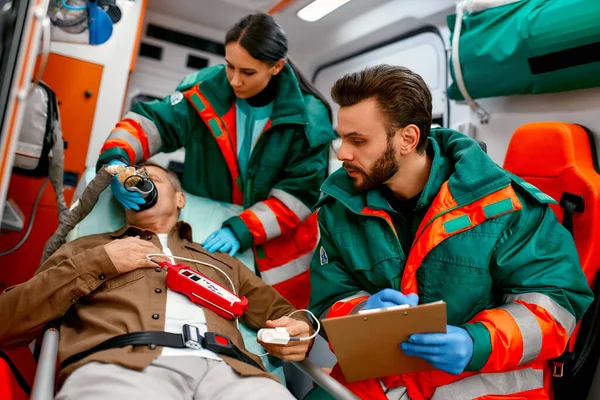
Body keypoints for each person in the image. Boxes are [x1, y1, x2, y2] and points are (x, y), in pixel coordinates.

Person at [307, 65, 593, 399]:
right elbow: (329, 298)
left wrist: (476, 342)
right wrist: (360, 311)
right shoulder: (339, 207)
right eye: (342, 138)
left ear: (408, 139)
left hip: (478, 382)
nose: (342, 153)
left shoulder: (506, 206)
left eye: (358, 141)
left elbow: (555, 308)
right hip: (381, 377)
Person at [0, 164, 313, 400]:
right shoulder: (87, 248)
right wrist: (100, 262)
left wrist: (298, 331)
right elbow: (7, 320)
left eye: (152, 179)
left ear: (179, 199)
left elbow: (285, 314)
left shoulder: (222, 261)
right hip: (123, 368)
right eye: (133, 179)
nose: (140, 184)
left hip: (235, 375)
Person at [96, 13, 336, 309]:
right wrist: (117, 162)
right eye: (229, 66)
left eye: (247, 72)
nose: (235, 80)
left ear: (276, 67)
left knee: (273, 330)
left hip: (278, 258)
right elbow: (150, 124)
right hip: (208, 237)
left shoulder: (309, 119)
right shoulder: (204, 92)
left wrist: (242, 229)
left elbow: (298, 195)